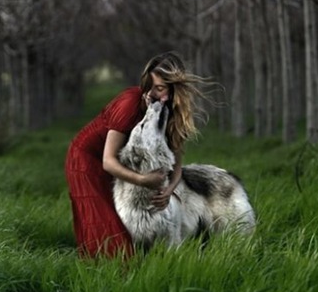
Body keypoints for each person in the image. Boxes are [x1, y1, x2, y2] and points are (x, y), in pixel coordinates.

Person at [64, 51, 212, 258]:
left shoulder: (170, 111)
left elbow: (176, 164)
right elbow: (108, 161)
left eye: (165, 89)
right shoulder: (130, 105)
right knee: (107, 226)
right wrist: (143, 179)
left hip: (122, 162)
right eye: (155, 88)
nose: (160, 95)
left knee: (122, 228)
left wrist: (168, 191)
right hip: (89, 158)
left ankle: (139, 273)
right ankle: (106, 277)